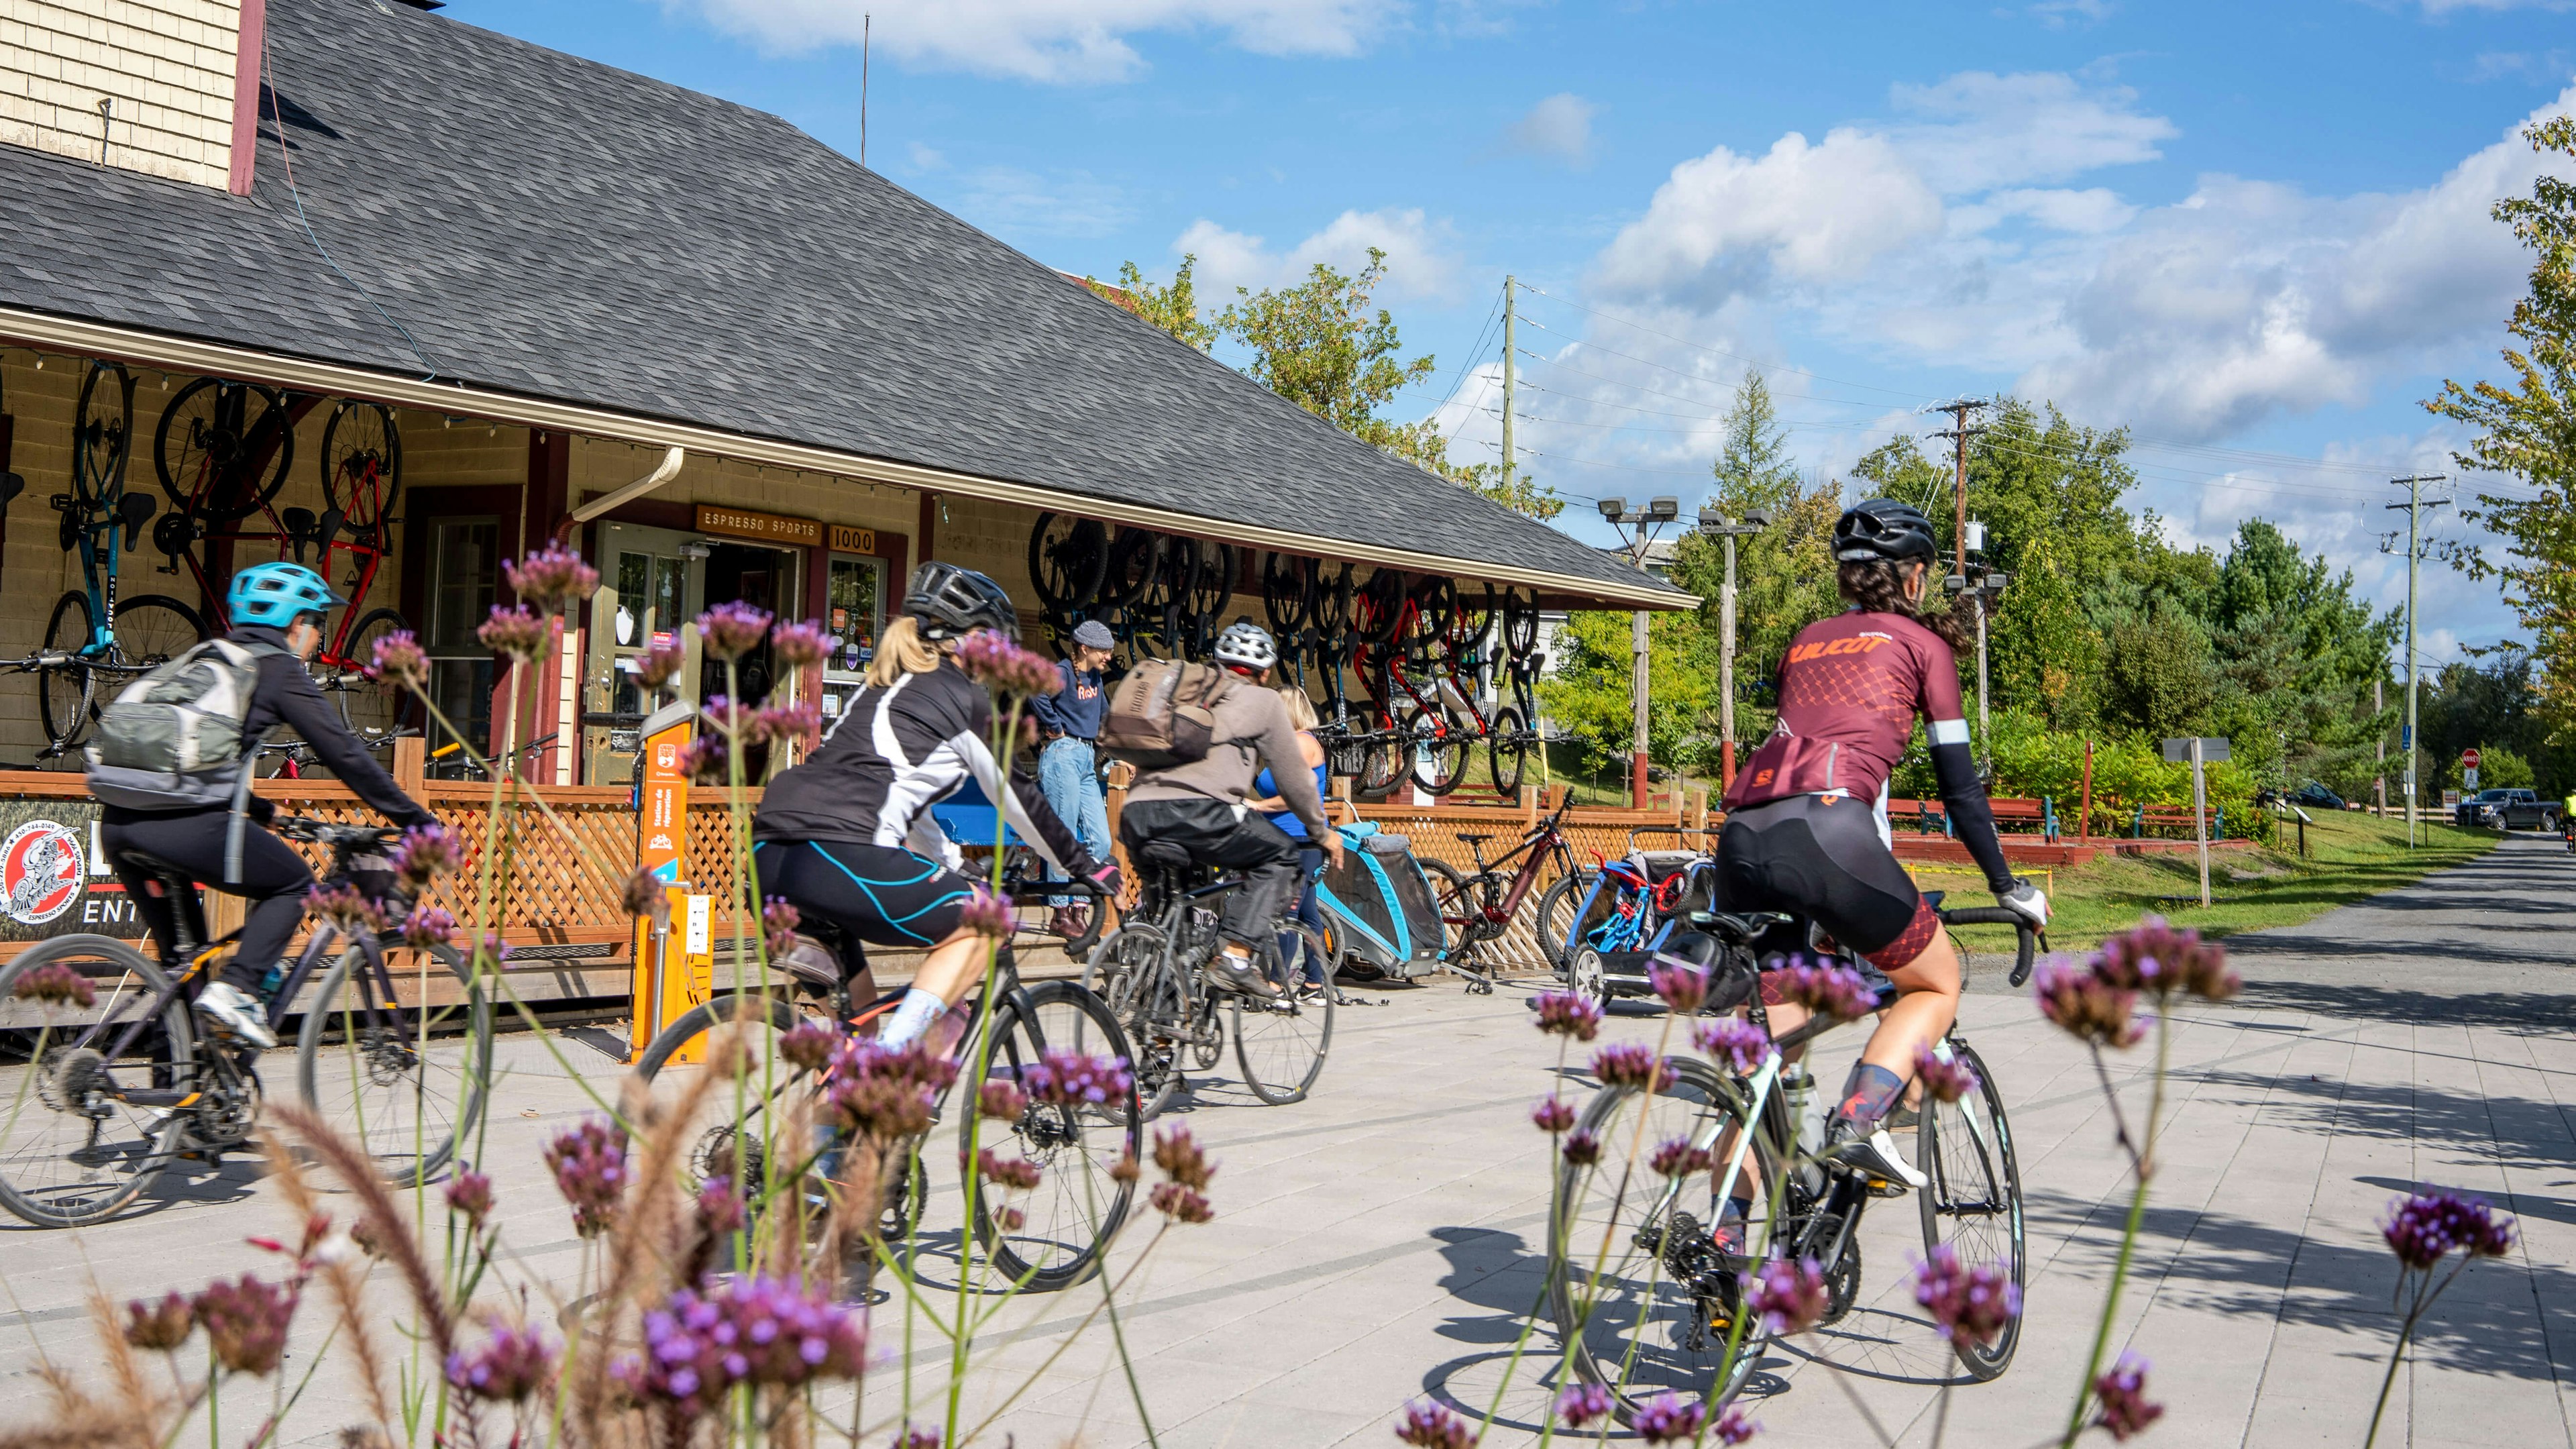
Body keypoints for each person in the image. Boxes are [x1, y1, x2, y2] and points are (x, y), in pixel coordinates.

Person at [1716, 499, 2048, 1193]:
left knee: (1772, 1074)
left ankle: (1722, 1248)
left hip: (1743, 836)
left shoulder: (1806, 639)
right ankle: (1863, 1122)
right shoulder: (1924, 647)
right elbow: (1960, 792)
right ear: (1917, 578)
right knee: (1936, 982)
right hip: (1829, 832)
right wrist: (2008, 888)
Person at [753, 562, 1118, 1051]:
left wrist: (949, 870)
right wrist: (1085, 866)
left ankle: (839, 1114)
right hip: (845, 853)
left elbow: (908, 805)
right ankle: (886, 1067)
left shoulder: (880, 688)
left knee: (859, 1026)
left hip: (771, 856)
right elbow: (1018, 799)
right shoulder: (961, 698)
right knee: (984, 927)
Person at [97, 561, 439, 1051]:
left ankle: (184, 1109)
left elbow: (188, 762)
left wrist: (266, 814)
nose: (320, 639)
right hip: (188, 826)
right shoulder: (278, 669)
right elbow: (343, 752)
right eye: (318, 623)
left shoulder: (202, 658)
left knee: (186, 971)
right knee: (294, 884)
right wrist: (414, 818)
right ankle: (239, 991)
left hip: (120, 827)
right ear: (296, 623)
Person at [1119, 621, 1343, 1000]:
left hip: (1138, 815)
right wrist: (1322, 832)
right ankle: (1235, 958)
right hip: (1198, 814)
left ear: (1217, 661)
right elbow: (1295, 781)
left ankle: (1161, 1029)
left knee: (1176, 929)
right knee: (1283, 856)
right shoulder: (1265, 701)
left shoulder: (1183, 689)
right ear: (1266, 671)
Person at [1247, 684, 1334, 994]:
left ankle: (1278, 984)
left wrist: (1257, 806)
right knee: (1308, 914)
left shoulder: (1301, 744)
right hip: (1284, 840)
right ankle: (1315, 982)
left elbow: (1294, 795)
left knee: (1288, 911)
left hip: (1300, 841)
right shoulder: (1284, 746)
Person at [1033, 618, 1116, 938]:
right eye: (1103, 651)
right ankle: (1060, 911)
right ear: (1085, 648)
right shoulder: (1063, 672)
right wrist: (1053, 726)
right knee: (1064, 835)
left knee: (1101, 837)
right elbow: (1036, 692)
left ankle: (1080, 905)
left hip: (1085, 759)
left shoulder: (1094, 677)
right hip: (1063, 754)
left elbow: (1106, 717)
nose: (1108, 657)